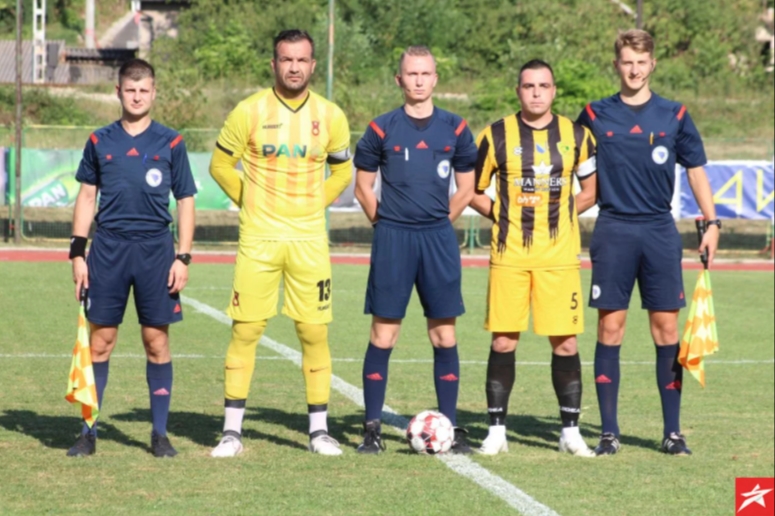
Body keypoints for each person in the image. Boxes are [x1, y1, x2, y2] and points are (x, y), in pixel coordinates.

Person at [208, 29, 353, 457]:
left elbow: (343, 172)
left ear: (313, 65)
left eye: (301, 60)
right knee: (246, 329)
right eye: (286, 59)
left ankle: (319, 432)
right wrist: (251, 201)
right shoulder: (249, 110)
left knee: (313, 331)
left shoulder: (331, 116)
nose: (294, 67)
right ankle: (231, 433)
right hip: (260, 239)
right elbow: (220, 165)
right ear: (273, 64)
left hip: (309, 240)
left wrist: (312, 203)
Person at [576, 29, 720, 456]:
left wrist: (712, 222)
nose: (634, 70)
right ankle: (608, 433)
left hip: (659, 231)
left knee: (667, 329)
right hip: (613, 229)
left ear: (652, 64)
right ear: (616, 65)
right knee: (611, 327)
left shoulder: (675, 114)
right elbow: (573, 167)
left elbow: (695, 170)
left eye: (641, 62)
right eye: (627, 62)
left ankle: (672, 432)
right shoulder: (594, 114)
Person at [67, 58, 197, 458]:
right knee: (101, 341)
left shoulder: (171, 142)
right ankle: (88, 431)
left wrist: (183, 257)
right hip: (108, 249)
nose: (137, 97)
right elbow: (87, 196)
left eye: (143, 90)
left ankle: (159, 434)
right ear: (118, 92)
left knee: (156, 341)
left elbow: (186, 200)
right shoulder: (99, 140)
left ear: (154, 93)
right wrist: (77, 252)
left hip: (156, 251)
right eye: (130, 90)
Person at [469, 60, 598, 457]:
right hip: (509, 255)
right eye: (529, 86)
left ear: (554, 90)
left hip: (559, 258)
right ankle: (496, 432)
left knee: (566, 343)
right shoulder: (494, 135)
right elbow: (472, 190)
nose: (537, 92)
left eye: (543, 85)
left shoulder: (578, 136)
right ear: (518, 91)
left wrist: (561, 214)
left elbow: (591, 191)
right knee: (504, 340)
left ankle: (570, 432)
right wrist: (502, 213)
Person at [353, 46, 478, 454]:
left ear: (435, 79)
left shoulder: (456, 128)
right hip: (393, 238)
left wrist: (439, 223)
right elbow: (363, 188)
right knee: (383, 334)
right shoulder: (380, 128)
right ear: (399, 79)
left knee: (444, 335)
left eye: (425, 73)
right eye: (412, 73)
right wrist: (386, 225)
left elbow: (466, 189)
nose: (419, 80)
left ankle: (450, 427)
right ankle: (372, 429)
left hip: (437, 239)